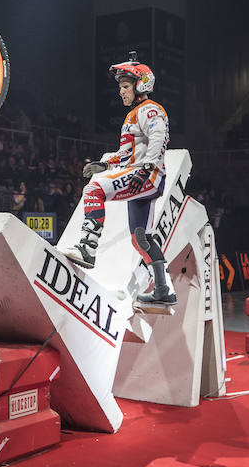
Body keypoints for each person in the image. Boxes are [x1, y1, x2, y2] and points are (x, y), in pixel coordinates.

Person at [62, 54, 176, 306]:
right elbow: (126, 153)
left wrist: (146, 169)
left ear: (141, 85)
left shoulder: (149, 109)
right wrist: (104, 164)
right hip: (144, 174)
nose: (121, 92)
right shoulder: (134, 114)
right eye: (120, 87)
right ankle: (163, 290)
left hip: (145, 174)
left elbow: (159, 138)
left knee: (94, 189)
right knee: (140, 238)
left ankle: (87, 249)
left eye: (125, 86)